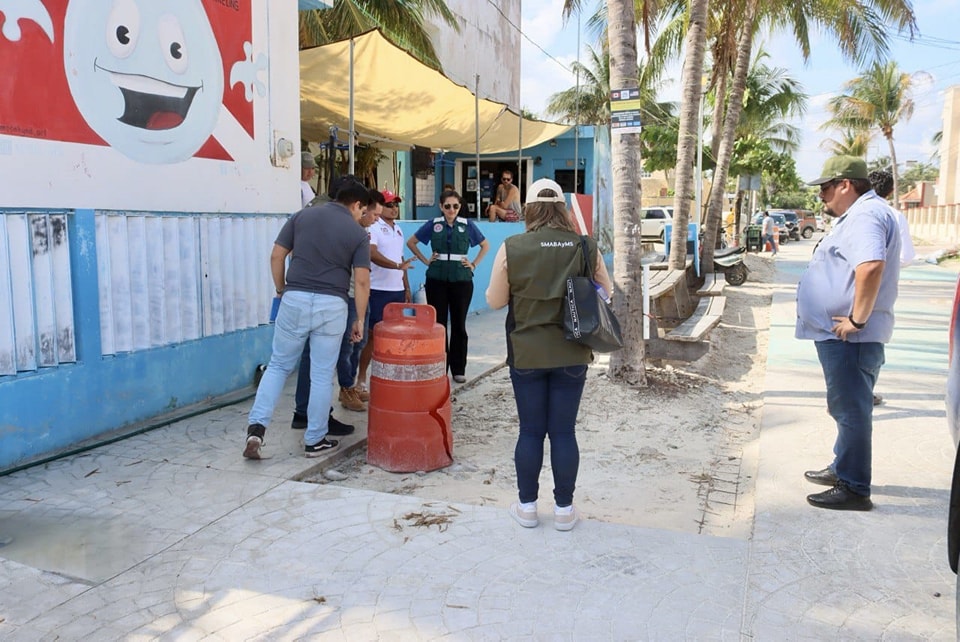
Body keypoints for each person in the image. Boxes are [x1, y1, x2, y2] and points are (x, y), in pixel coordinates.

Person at [485, 178, 612, 531]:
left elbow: (495, 301)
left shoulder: (513, 246)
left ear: (528, 209)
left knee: (530, 432)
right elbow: (607, 290)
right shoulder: (585, 247)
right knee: (563, 432)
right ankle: (563, 511)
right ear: (562, 209)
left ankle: (527, 508)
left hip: (526, 354)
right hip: (572, 353)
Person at [798, 155, 901, 511]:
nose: (821, 196)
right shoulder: (859, 214)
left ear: (846, 184)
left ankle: (854, 487)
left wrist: (856, 320)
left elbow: (871, 266)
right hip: (844, 336)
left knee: (852, 409)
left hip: (852, 336)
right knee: (844, 406)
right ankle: (843, 466)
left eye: (825, 188)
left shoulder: (866, 215)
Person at [243, 181, 371, 460]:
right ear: (357, 205)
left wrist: (281, 289)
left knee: (277, 366)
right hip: (332, 305)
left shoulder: (301, 216)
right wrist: (359, 319)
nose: (363, 216)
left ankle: (256, 431)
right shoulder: (357, 233)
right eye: (363, 211)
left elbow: (277, 255)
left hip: (294, 298)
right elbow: (361, 280)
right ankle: (314, 440)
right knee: (322, 375)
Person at [290, 175, 364, 432]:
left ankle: (302, 413)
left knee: (306, 359)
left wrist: (282, 289)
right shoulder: (337, 219)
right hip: (327, 296)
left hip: (300, 292)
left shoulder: (309, 212)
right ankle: (317, 423)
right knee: (322, 364)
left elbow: (282, 252)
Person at [407, 189, 490, 383]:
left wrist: (474, 264)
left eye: (455, 206)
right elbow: (412, 242)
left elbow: (485, 245)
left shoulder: (467, 225)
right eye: (447, 206)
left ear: (460, 207)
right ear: (441, 207)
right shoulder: (433, 225)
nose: (451, 210)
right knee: (439, 324)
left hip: (461, 280)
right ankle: (440, 367)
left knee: (459, 325)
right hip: (437, 279)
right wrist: (426, 261)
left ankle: (458, 368)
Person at [356, 189, 414, 397]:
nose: (394, 208)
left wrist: (406, 286)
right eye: (390, 205)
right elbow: (371, 254)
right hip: (378, 289)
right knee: (371, 338)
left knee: (393, 338)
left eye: (396, 204)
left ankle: (388, 378)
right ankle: (361, 379)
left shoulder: (398, 229)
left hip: (396, 291)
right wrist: (396, 266)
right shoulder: (374, 226)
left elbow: (402, 260)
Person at [867, 169, 916, 407]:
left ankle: (840, 393)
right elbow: (907, 257)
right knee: (874, 340)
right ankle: (863, 391)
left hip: (846, 288)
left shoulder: (850, 213)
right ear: (891, 191)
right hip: (880, 290)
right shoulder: (894, 216)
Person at [335, 189, 383, 412]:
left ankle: (352, 385)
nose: (376, 219)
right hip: (350, 295)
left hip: (362, 295)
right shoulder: (352, 234)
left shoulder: (363, 233)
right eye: (372, 214)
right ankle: (346, 389)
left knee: (359, 343)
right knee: (348, 344)